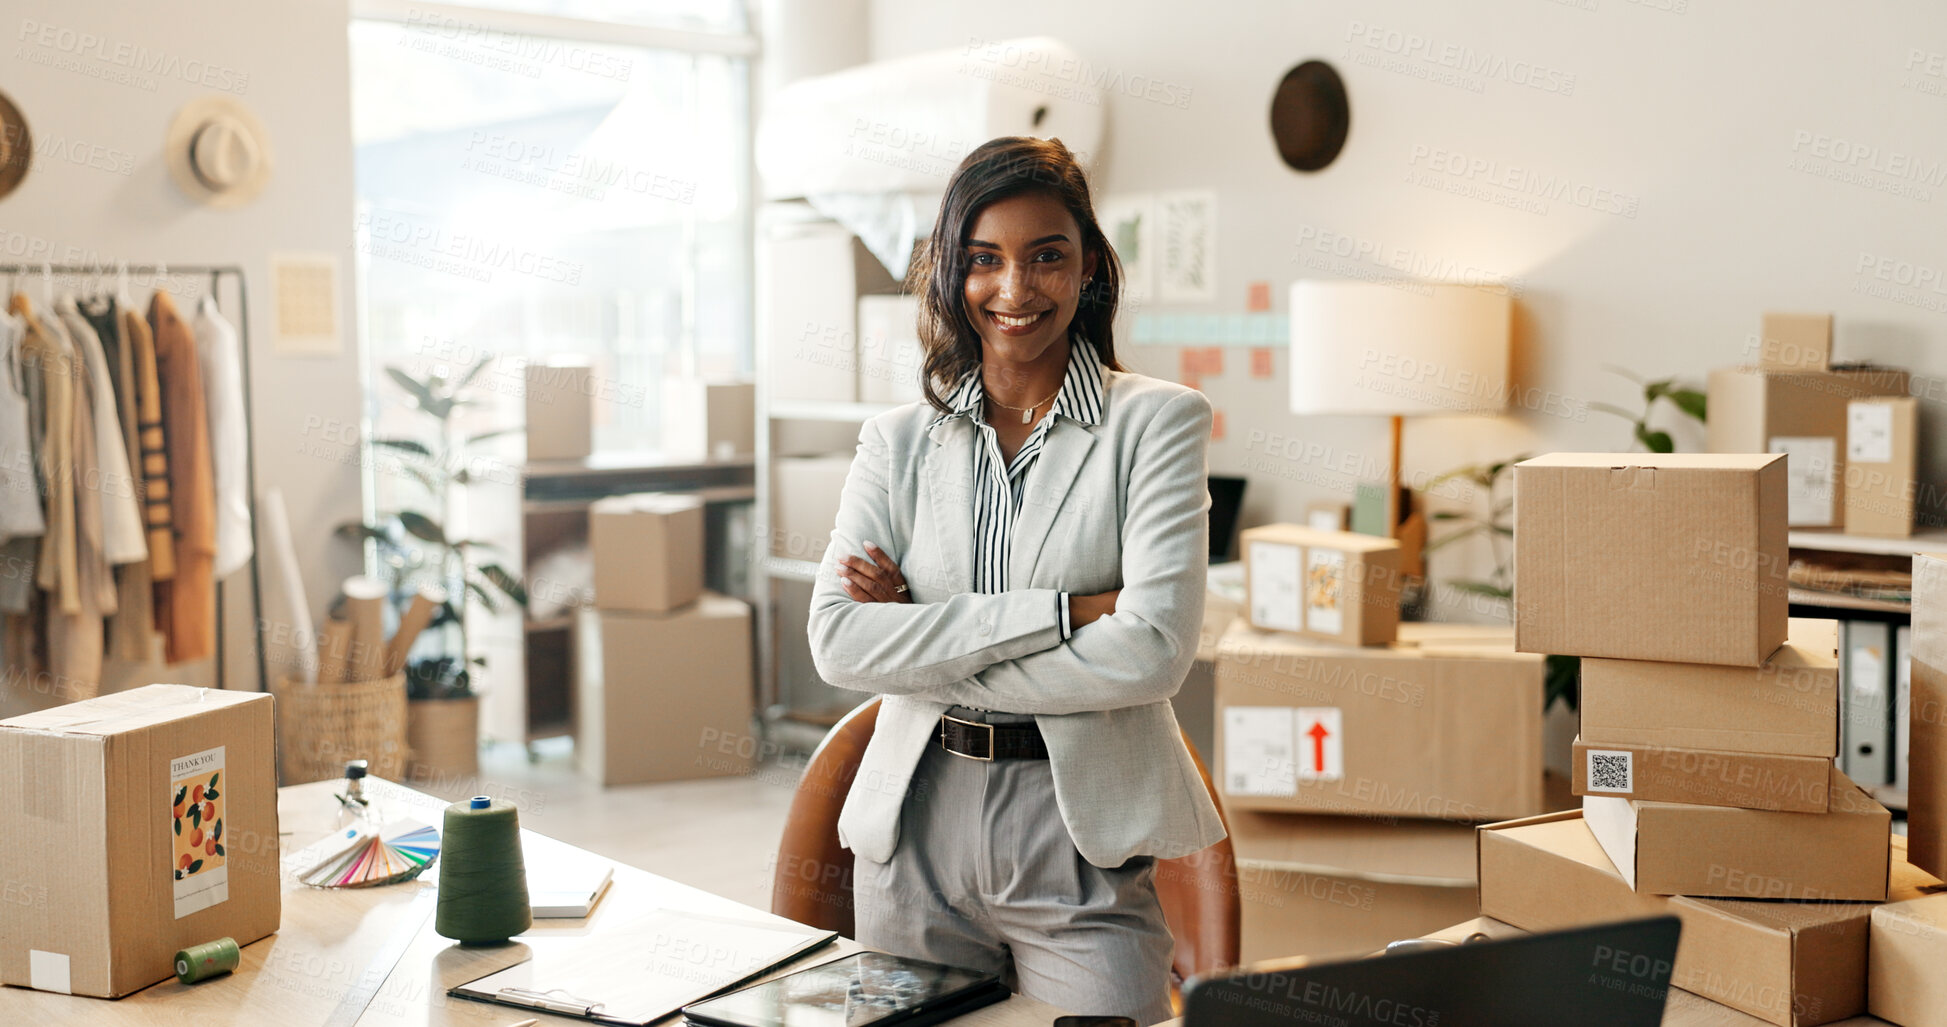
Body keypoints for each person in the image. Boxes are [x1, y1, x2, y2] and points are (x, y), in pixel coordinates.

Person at [806, 135, 1226, 1025]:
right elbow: (839, 642)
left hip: (1078, 839)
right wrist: (1070, 612)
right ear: (951, 273)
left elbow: (1150, 654)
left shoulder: (1156, 424)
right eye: (983, 260)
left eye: (1046, 256)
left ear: (1087, 270)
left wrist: (919, 630)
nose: (1014, 289)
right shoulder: (897, 441)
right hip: (913, 832)